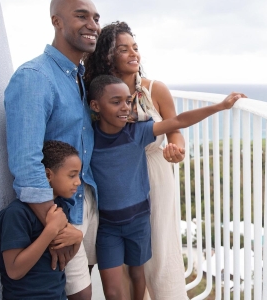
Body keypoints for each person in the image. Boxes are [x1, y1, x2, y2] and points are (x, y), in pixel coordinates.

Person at [87, 74, 245, 300]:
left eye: (128, 101)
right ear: (95, 106)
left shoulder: (137, 133)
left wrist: (220, 107)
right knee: (112, 290)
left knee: (137, 276)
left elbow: (178, 121)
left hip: (138, 222)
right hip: (108, 227)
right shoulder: (89, 138)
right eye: (116, 102)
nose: (125, 108)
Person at [3, 0, 100, 298]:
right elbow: (26, 163)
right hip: (57, 214)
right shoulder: (35, 77)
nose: (92, 25)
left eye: (96, 17)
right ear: (57, 22)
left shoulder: (78, 78)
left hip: (85, 203)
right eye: (81, 16)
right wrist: (59, 226)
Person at [83, 21, 185, 299]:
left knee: (160, 249)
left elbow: (175, 128)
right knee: (127, 258)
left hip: (155, 173)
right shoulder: (96, 92)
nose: (134, 54)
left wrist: (176, 149)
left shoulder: (156, 89)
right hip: (117, 181)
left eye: (136, 48)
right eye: (123, 49)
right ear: (108, 56)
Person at [0, 141, 84, 299]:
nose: (78, 181)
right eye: (72, 175)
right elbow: (14, 271)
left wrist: (77, 239)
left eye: (78, 175)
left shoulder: (59, 208)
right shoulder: (17, 213)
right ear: (48, 175)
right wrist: (51, 230)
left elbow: (62, 259)